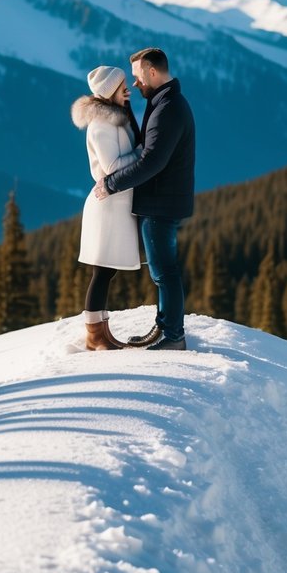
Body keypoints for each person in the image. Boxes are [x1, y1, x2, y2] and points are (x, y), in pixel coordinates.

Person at [94, 47, 195, 350]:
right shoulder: (164, 102)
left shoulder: (167, 108)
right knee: (162, 271)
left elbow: (152, 161)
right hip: (162, 199)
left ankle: (174, 336)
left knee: (165, 271)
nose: (135, 84)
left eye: (138, 78)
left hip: (161, 202)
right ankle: (164, 328)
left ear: (153, 72)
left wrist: (111, 184)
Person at [72, 65, 141, 350]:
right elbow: (111, 168)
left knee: (106, 270)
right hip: (107, 205)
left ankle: (101, 333)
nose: (127, 89)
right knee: (102, 270)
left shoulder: (116, 120)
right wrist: (142, 154)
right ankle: (94, 335)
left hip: (115, 204)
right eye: (122, 85)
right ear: (109, 91)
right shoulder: (101, 125)